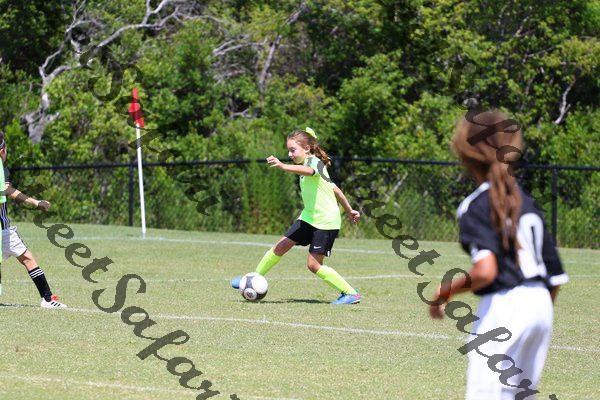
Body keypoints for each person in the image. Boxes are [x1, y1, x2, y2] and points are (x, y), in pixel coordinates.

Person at [427, 111, 568, 399]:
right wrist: (535, 309)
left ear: (465, 154)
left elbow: (485, 271)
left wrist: (445, 291)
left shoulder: (477, 204)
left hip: (505, 306)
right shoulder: (525, 201)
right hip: (541, 306)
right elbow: (554, 277)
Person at [231, 127, 363, 304]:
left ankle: (351, 293)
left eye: (293, 150)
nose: (289, 154)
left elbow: (310, 173)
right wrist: (349, 210)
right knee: (280, 246)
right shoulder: (307, 164)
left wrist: (283, 166)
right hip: (308, 218)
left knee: (314, 265)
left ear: (307, 148)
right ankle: (254, 277)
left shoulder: (314, 163)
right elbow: (335, 189)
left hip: (325, 222)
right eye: (288, 150)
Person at [0, 134, 66, 308]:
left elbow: (8, 191)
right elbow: (8, 192)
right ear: (2, 150)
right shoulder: (2, 170)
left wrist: (35, 202)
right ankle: (47, 299)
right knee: (28, 258)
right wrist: (36, 202)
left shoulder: (3, 171)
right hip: (3, 231)